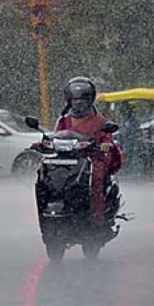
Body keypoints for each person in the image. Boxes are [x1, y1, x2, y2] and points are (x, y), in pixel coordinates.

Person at [55, 77, 123, 236]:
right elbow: (56, 135)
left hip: (91, 158)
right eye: (75, 100)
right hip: (67, 159)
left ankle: (97, 218)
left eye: (82, 100)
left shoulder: (99, 120)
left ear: (90, 100)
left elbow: (107, 137)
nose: (78, 103)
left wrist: (105, 143)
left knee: (96, 178)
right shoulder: (64, 120)